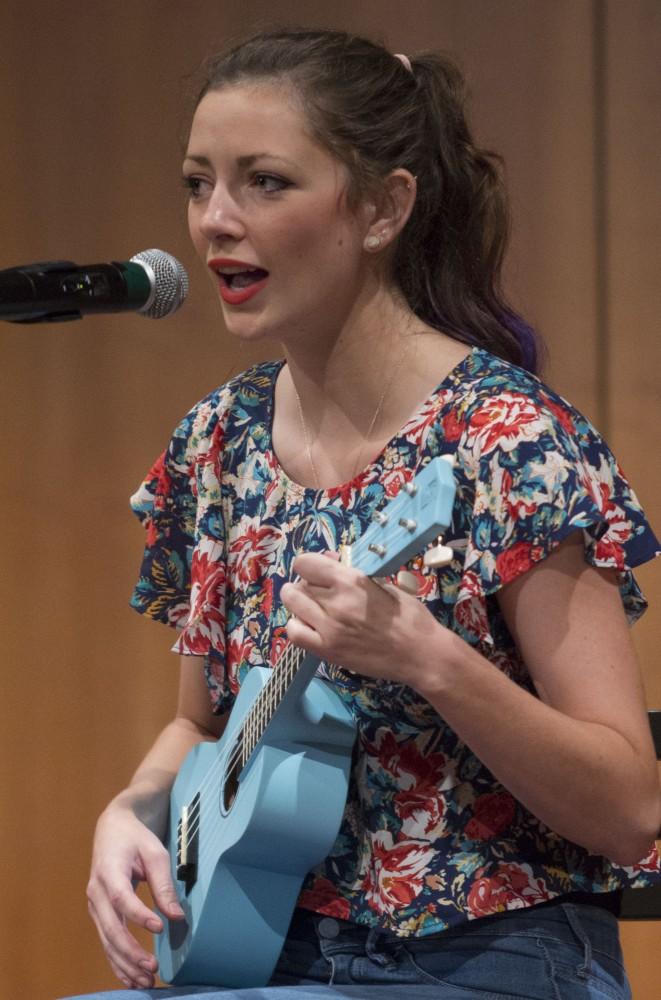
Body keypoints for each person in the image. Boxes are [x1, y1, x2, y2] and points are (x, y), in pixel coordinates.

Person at [75, 28, 661, 1000]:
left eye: (264, 181)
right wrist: (126, 814)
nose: (215, 219)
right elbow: (199, 727)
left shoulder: (503, 438)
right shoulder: (219, 442)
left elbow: (631, 805)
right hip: (264, 951)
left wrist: (428, 658)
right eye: (196, 183)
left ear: (385, 205)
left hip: (489, 958)